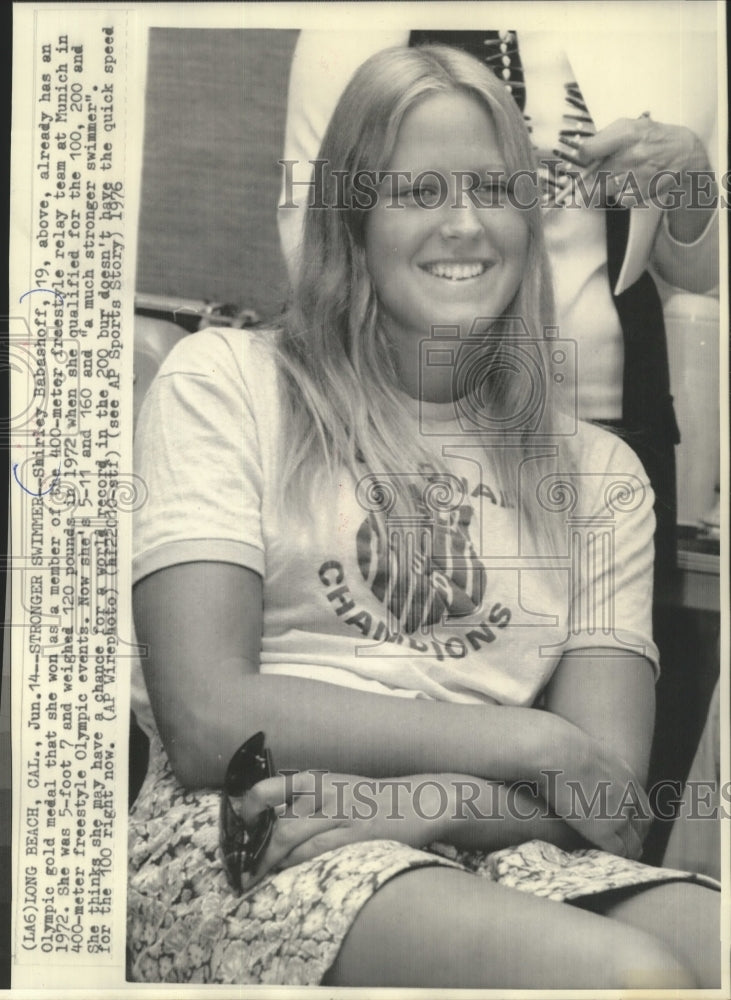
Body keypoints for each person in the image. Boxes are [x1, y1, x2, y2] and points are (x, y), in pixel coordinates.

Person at [128, 45, 720, 988]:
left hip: (484, 830)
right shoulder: (228, 381)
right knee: (627, 977)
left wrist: (432, 805)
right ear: (351, 218)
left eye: (493, 189)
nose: (464, 224)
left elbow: (610, 798)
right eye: (418, 191)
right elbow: (208, 720)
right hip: (261, 825)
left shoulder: (602, 474)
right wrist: (530, 743)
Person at [277, 27, 720, 580]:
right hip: (414, 413)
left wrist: (694, 181)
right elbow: (316, 233)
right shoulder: (354, 26)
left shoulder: (672, 26)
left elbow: (704, 278)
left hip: (617, 411)